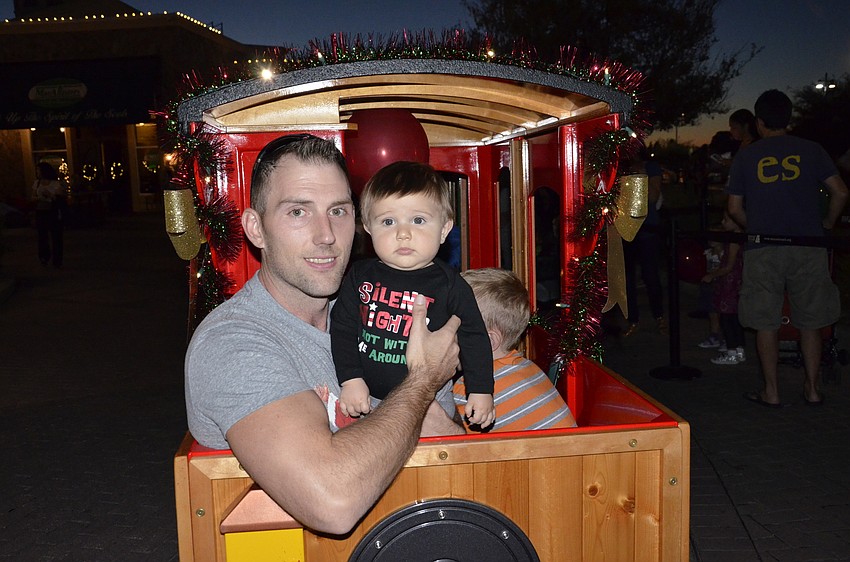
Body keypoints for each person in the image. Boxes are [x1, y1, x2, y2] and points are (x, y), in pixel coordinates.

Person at [184, 134, 465, 535]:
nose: (327, 235)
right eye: (298, 211)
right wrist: (421, 382)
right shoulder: (233, 342)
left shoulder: (382, 311)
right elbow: (332, 503)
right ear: (256, 228)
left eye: (338, 210)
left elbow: (449, 439)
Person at [330, 161, 495, 429]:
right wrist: (351, 379)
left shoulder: (451, 285)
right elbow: (342, 329)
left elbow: (474, 337)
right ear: (369, 228)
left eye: (418, 220)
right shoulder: (359, 276)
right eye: (388, 221)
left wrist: (480, 389)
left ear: (443, 230)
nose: (403, 233)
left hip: (431, 398)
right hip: (367, 397)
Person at [727, 90, 848, 407]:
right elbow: (840, 192)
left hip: (764, 248)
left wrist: (753, 225)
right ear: (789, 118)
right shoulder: (812, 150)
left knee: (765, 322)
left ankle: (772, 392)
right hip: (808, 246)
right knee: (811, 320)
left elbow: (734, 207)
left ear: (759, 121)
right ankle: (812, 389)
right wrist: (828, 223)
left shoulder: (747, 155)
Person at [453, 268, 577, 432]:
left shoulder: (474, 391)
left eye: (451, 327)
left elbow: (442, 445)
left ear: (488, 341)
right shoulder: (523, 367)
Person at [623, 149, 666, 336]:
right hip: (627, 228)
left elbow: (653, 197)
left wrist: (638, 177)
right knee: (628, 279)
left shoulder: (651, 167)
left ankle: (660, 317)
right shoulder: (622, 169)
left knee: (651, 276)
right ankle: (633, 320)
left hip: (648, 228)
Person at [701, 212, 745, 365]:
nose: (722, 222)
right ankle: (738, 351)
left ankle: (732, 351)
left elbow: (729, 266)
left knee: (727, 318)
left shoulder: (734, 240)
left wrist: (712, 275)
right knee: (734, 319)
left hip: (729, 284)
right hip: (732, 283)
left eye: (726, 219)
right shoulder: (736, 238)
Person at [32, 162, 65, 268]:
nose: (37, 172)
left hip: (52, 211)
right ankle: (44, 257)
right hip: (41, 210)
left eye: (39, 170)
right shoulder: (37, 183)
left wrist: (51, 195)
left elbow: (60, 199)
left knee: (56, 236)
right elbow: (33, 196)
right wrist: (38, 198)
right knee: (42, 235)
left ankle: (57, 259)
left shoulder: (55, 184)